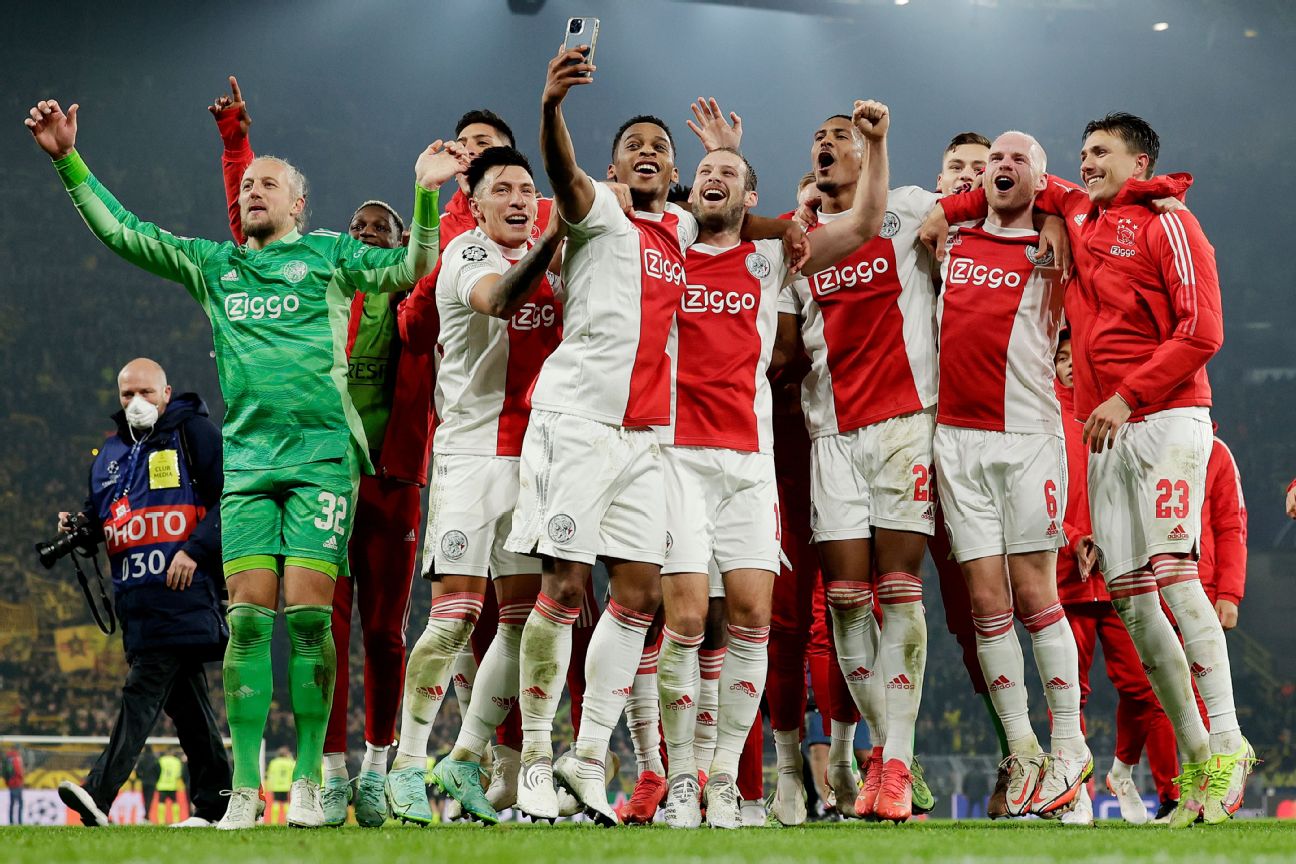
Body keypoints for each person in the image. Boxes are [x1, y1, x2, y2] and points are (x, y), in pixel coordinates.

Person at [25, 97, 466, 829]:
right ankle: (245, 790)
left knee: (308, 622)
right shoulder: (215, 266)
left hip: (324, 455)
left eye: (266, 183)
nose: (250, 190)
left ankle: (319, 784)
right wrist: (68, 159)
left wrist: (425, 191)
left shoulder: (329, 254)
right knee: (250, 624)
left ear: (298, 202)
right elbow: (124, 235)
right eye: (244, 185)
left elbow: (415, 264)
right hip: (253, 462)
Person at [929, 111, 1253, 828]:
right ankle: (1199, 761)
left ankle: (1229, 741)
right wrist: (942, 209)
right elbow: (1013, 185)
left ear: (1138, 164)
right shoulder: (1075, 212)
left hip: (1165, 416)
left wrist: (1126, 394)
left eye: (1101, 153)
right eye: (1082, 154)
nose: (1087, 163)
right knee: (1135, 599)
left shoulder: (1170, 222)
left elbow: (1204, 331)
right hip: (1106, 426)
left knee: (1173, 577)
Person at [506, 46, 803, 825]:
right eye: (632, 145)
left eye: (658, 148)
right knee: (566, 588)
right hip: (575, 421)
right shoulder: (594, 207)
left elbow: (743, 219)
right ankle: (537, 755)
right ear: (610, 168)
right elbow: (563, 170)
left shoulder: (676, 222)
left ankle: (585, 755)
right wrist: (551, 109)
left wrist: (731, 169)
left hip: (647, 437)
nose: (647, 153)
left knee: (636, 598)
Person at [656, 99, 889, 829]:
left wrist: (877, 147)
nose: (712, 178)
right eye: (703, 173)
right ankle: (684, 776)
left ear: (753, 195)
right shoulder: (664, 247)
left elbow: (861, 226)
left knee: (755, 616)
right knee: (689, 621)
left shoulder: (769, 256)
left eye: (728, 172)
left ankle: (723, 778)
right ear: (686, 192)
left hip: (749, 462)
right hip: (676, 456)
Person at [209, 76, 428, 828]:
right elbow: (249, 247)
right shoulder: (321, 284)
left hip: (386, 477)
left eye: (381, 231)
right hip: (315, 468)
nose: (366, 237)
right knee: (314, 622)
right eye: (358, 227)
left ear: (398, 246)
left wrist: (434, 202)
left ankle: (375, 767)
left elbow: (423, 271)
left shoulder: (406, 308)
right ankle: (323, 775)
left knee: (384, 632)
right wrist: (237, 143)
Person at [385, 146, 565, 826]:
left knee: (522, 625)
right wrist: (553, 236)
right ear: (479, 203)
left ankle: (464, 756)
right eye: (504, 191)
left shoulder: (554, 250)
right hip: (471, 454)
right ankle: (407, 763)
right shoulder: (463, 254)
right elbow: (500, 300)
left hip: (538, 457)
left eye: (528, 189)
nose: (520, 200)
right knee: (454, 619)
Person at [931, 130, 1089, 819]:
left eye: (1019, 159)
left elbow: (1082, 200)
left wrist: (1050, 207)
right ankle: (1023, 748)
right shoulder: (953, 234)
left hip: (1025, 437)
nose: (1001, 166)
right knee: (985, 601)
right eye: (995, 158)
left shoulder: (1057, 243)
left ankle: (1071, 744)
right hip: (956, 442)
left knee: (1034, 592)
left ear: (1041, 177)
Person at [51, 358, 232, 829]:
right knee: (188, 708)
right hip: (137, 600)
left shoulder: (195, 434)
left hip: (183, 594)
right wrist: (79, 529)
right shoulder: (110, 454)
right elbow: (103, 521)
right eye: (127, 394)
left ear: (167, 392)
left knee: (143, 690)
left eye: (146, 393)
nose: (136, 403)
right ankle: (218, 803)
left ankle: (98, 793)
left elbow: (231, 497)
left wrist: (195, 550)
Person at [1053, 332, 1179, 826]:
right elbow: (1029, 501)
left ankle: (1123, 772)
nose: (1067, 365)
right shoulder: (1042, 422)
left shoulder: (1123, 420)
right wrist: (1071, 537)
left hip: (1123, 574)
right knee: (1068, 693)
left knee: (1145, 689)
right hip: (1066, 577)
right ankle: (1074, 794)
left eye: (1073, 357)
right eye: (1059, 357)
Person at [266, 747, 296, 825]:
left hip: (276, 786)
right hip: (286, 786)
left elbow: (270, 774)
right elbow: (294, 769)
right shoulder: (290, 762)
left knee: (276, 802)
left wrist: (269, 785)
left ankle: (274, 822)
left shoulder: (274, 762)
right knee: (286, 803)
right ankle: (288, 821)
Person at [155, 750, 183, 824]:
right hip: (172, 786)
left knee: (161, 802)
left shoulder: (161, 760)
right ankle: (176, 820)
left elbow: (156, 772)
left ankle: (161, 821)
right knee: (175, 802)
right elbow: (178, 774)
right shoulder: (176, 761)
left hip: (161, 785)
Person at [4, 748, 23, 825]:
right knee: (20, 804)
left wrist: (8, 782)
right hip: (17, 784)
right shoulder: (16, 759)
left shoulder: (8, 759)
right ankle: (19, 822)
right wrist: (21, 778)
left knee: (12, 804)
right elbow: (19, 772)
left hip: (11, 784)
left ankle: (11, 821)